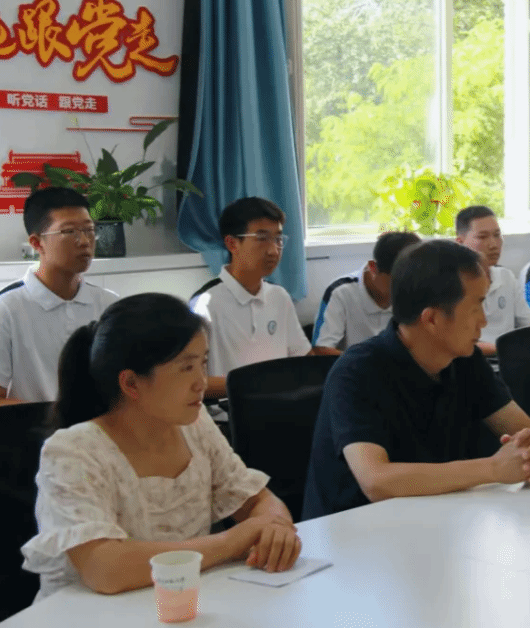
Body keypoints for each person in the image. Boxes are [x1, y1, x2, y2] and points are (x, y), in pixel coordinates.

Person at [21, 294, 301, 600]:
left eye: (203, 364)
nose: (202, 382)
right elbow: (105, 568)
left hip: (176, 606)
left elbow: (257, 498)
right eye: (186, 368)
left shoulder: (195, 426)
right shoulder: (73, 451)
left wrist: (275, 528)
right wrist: (231, 542)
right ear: (131, 383)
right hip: (89, 614)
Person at [302, 240, 530, 518]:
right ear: (432, 319)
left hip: (440, 518)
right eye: (476, 306)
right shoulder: (356, 371)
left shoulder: (465, 360)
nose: (484, 321)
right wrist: (493, 468)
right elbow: (377, 481)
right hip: (356, 530)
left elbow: (528, 430)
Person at [0, 188, 118, 404]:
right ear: (37, 243)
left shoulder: (109, 305)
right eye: (69, 231)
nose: (84, 241)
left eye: (89, 230)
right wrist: (47, 416)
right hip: (35, 424)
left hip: (97, 423)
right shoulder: (7, 309)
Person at [189, 197, 312, 398]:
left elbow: (303, 358)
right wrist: (255, 385)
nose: (273, 250)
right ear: (232, 244)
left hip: (282, 407)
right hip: (228, 413)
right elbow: (191, 381)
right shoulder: (204, 305)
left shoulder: (280, 297)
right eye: (262, 238)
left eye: (278, 239)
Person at [455, 205, 530, 355]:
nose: (493, 244)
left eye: (497, 235)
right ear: (460, 242)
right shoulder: (452, 285)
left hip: (509, 359)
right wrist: (505, 350)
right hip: (473, 360)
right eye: (482, 237)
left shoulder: (506, 277)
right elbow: (455, 342)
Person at [312, 231, 420, 354]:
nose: (404, 289)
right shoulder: (340, 293)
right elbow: (321, 350)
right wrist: (363, 362)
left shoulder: (417, 290)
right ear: (373, 268)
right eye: (396, 282)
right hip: (351, 365)